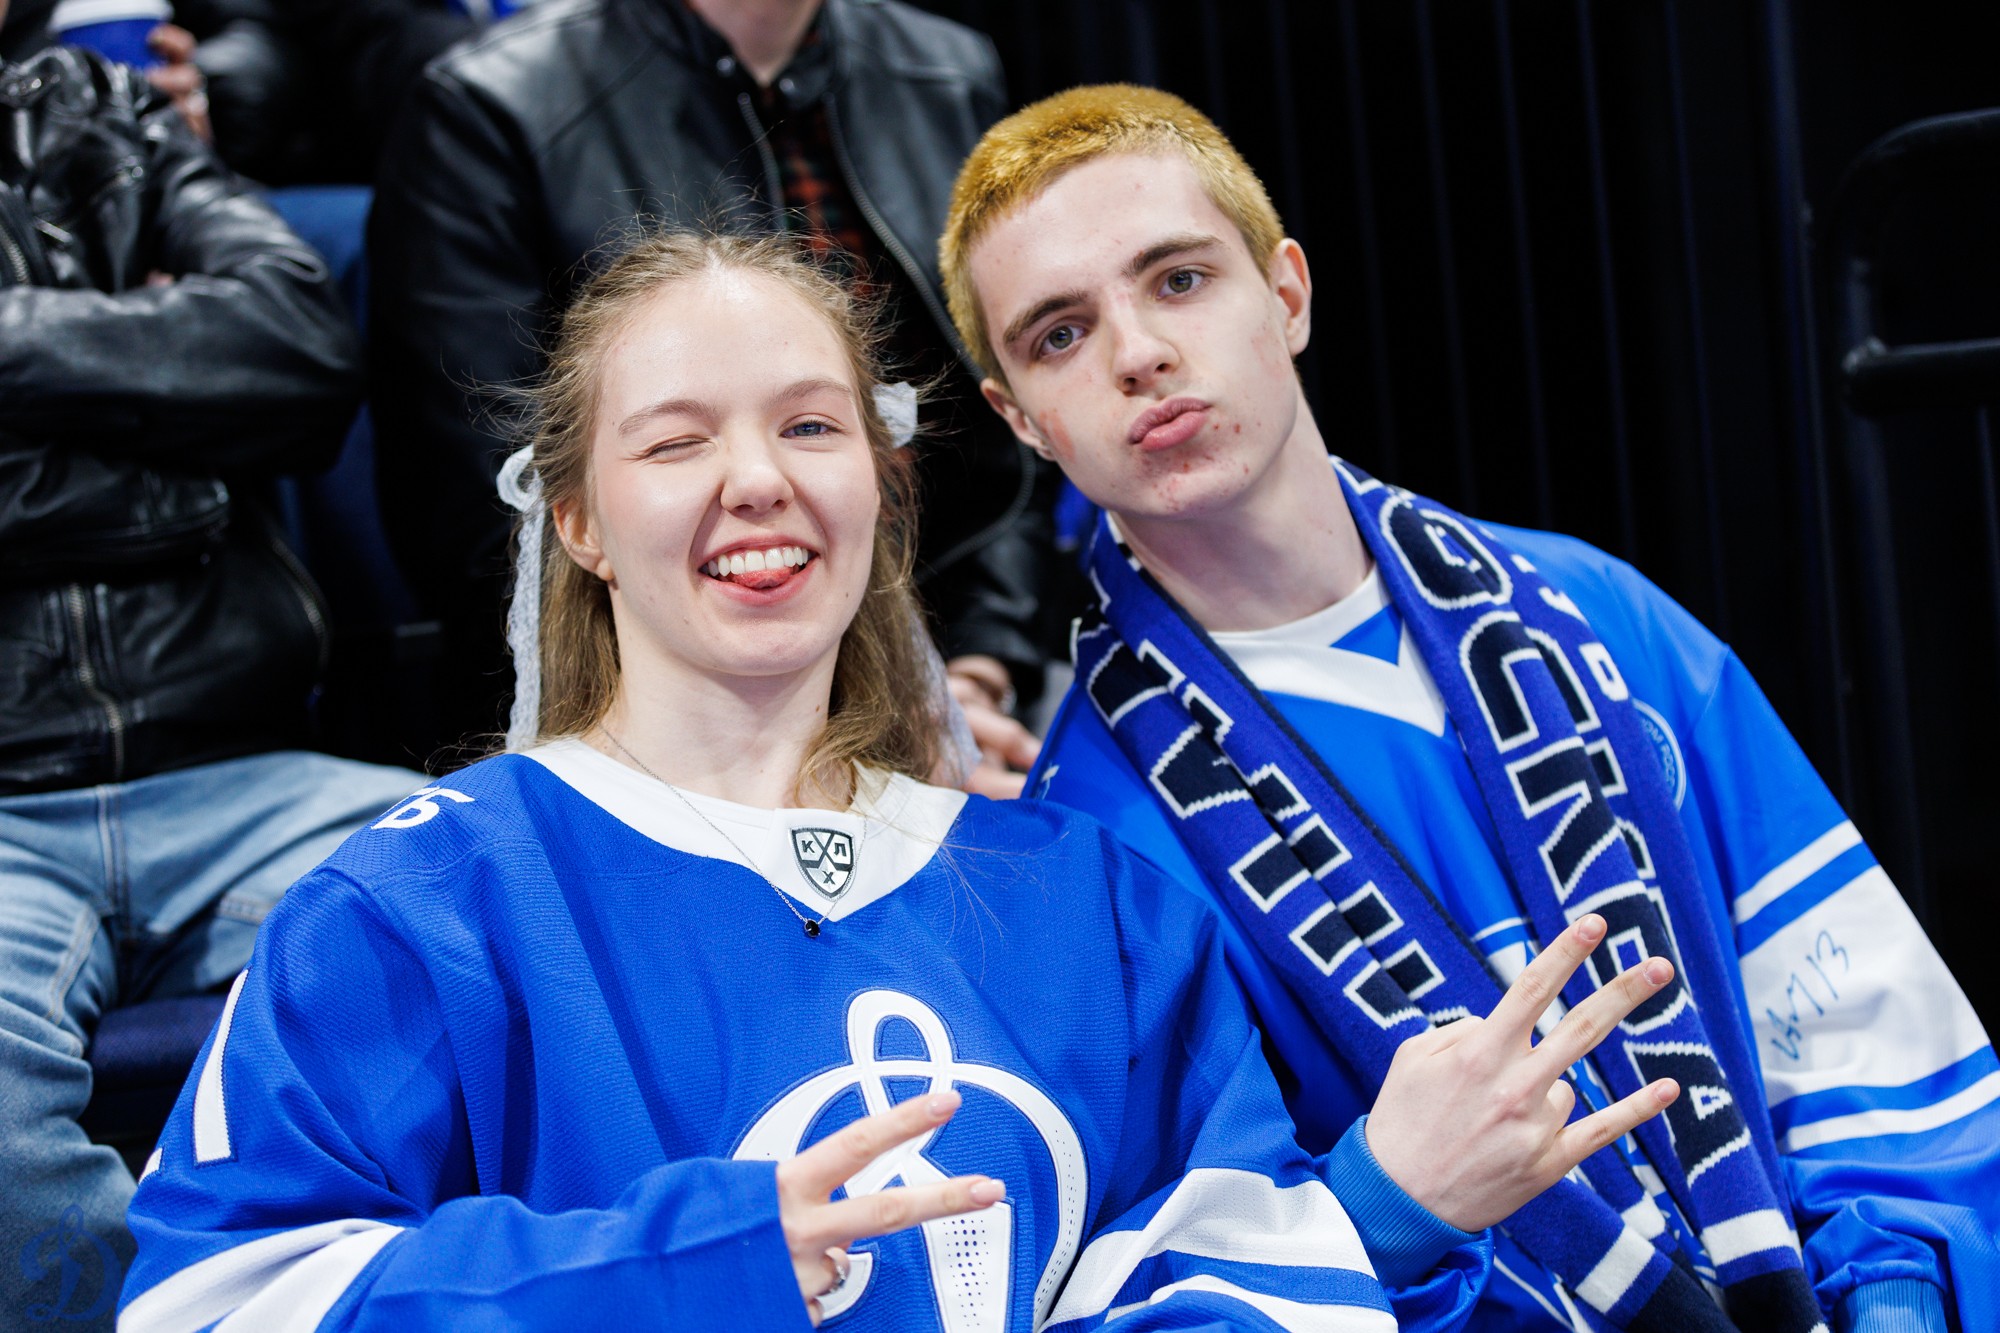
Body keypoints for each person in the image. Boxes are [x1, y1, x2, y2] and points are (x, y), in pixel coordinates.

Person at [120, 231, 1683, 1331]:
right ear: (579, 521)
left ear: (878, 481)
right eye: (676, 443)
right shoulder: (416, 903)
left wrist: (1382, 1205)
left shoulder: (1095, 899)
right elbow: (212, 1299)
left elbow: (1216, 1273)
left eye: (811, 425)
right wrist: (691, 1269)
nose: (759, 480)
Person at [938, 85, 2000, 1333]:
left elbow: (1857, 1023)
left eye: (1178, 280)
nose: (1136, 352)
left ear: (1285, 293)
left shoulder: (1590, 612)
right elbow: (1152, 1276)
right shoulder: (1087, 846)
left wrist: (1893, 1296)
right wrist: (1382, 1202)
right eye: (1058, 334)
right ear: (1020, 419)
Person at [0, 9, 426, 1328]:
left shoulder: (95, 109)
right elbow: (226, 370)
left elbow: (297, 344)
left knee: (525, 900)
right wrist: (154, 408)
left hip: (240, 765)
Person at [368, 0, 1049, 793]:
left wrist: (974, 672)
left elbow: (1012, 427)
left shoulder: (950, 68)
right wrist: (861, 719)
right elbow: (492, 529)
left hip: (954, 669)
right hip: (654, 725)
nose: (760, 478)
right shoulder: (488, 107)